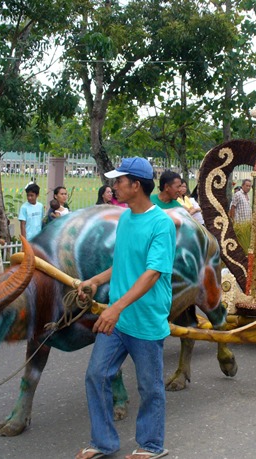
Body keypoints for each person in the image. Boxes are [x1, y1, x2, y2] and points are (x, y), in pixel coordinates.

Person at [75, 157, 175, 459]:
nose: (113, 185)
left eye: (119, 181)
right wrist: (94, 280)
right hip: (118, 320)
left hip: (143, 320)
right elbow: (122, 262)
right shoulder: (127, 218)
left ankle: (151, 445)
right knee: (96, 375)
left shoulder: (161, 224)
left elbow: (152, 273)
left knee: (149, 386)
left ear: (136, 185)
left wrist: (115, 307)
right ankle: (104, 442)